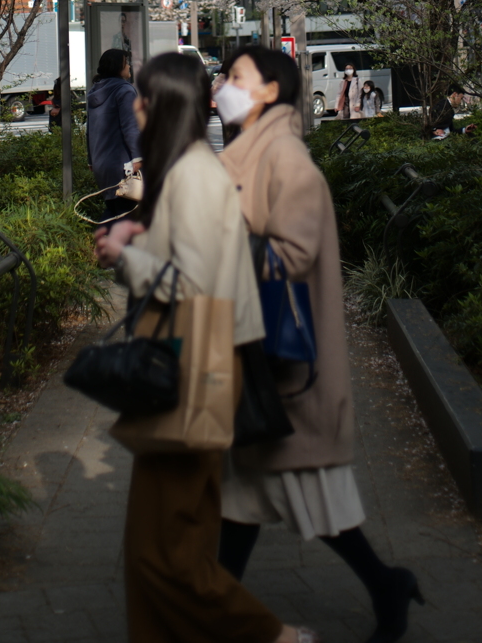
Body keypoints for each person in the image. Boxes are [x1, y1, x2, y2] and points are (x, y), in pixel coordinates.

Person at [94, 52, 315, 643]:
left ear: (162, 104)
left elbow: (190, 284)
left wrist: (126, 257)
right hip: (202, 369)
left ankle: (273, 637)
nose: (135, 107)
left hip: (192, 372)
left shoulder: (193, 177)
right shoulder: (192, 171)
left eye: (142, 98)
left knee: (160, 554)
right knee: (169, 549)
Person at [213, 45, 423, 643]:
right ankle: (383, 585)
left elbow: (292, 255)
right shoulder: (253, 157)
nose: (223, 88)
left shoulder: (285, 160)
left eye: (236, 78)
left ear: (271, 91)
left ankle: (385, 584)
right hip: (265, 368)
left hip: (287, 371)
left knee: (293, 495)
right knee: (246, 498)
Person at [86, 49, 142, 223]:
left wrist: (91, 160)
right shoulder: (124, 90)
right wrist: (138, 158)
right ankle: (105, 243)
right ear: (118, 66)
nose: (129, 66)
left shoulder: (95, 91)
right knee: (126, 213)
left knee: (114, 208)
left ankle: (105, 242)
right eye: (126, 62)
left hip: (101, 163)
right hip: (122, 163)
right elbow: (130, 127)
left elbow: (91, 130)